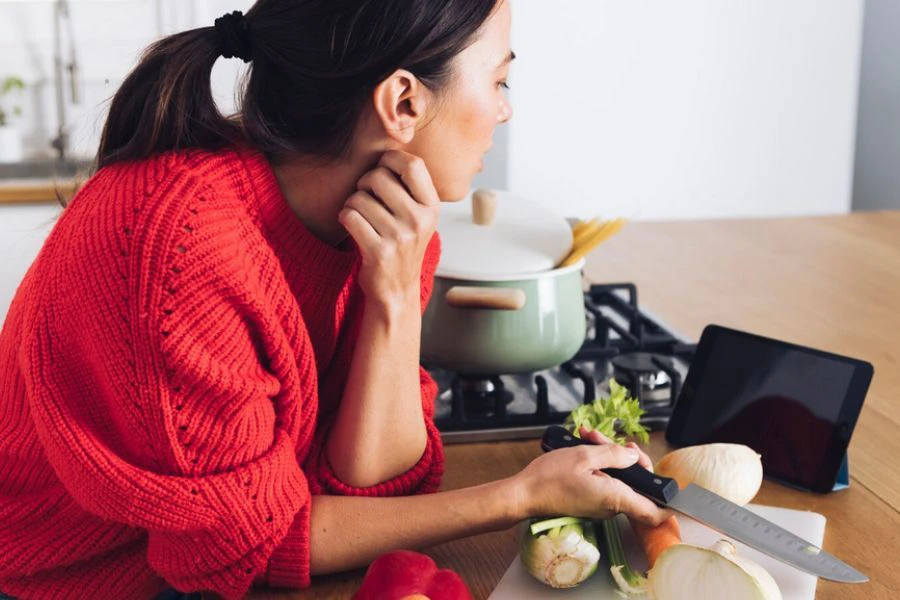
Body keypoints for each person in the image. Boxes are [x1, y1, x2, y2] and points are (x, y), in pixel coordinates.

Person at [0, 1, 670, 599]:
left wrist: (394, 298)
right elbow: (248, 547)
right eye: (499, 80)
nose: (505, 108)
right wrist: (524, 493)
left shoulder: (392, 224)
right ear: (403, 102)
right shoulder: (177, 248)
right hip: (64, 580)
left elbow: (380, 489)